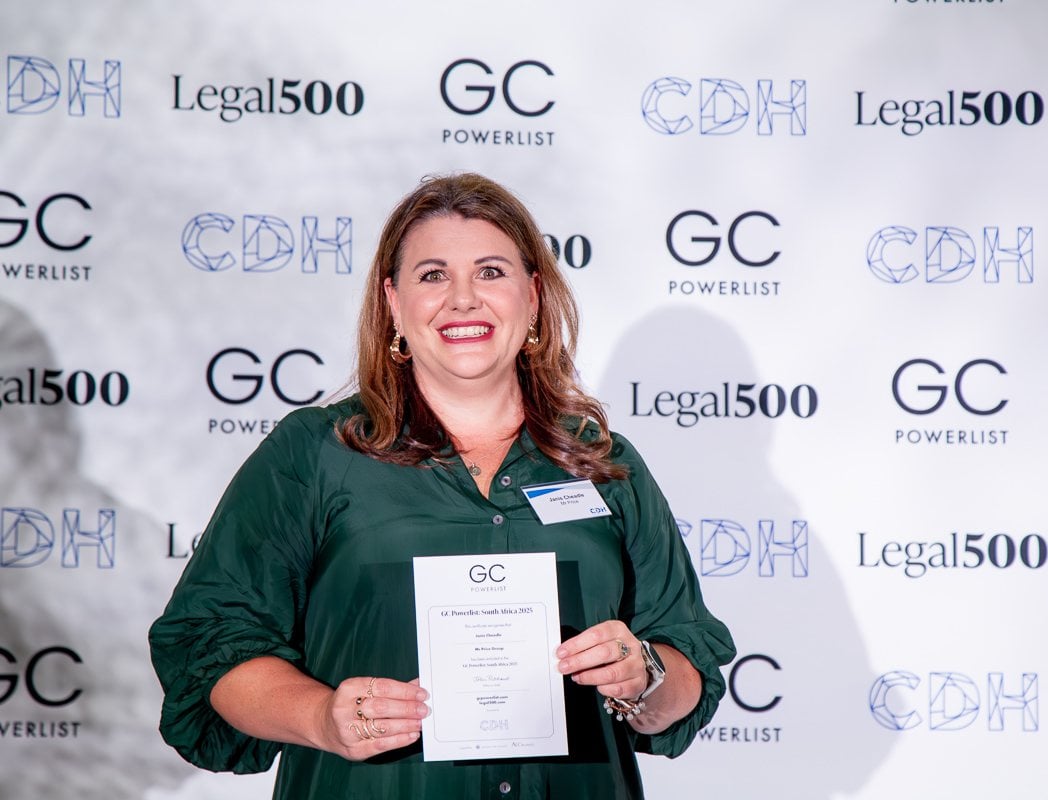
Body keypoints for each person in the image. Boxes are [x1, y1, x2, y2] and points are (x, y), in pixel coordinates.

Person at [149, 172, 735, 799]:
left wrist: (644, 676)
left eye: (490, 272)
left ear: (533, 297)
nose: (463, 299)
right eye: (433, 275)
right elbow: (211, 645)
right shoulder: (315, 454)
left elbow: (686, 665)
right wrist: (321, 717)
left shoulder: (605, 464)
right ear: (393, 303)